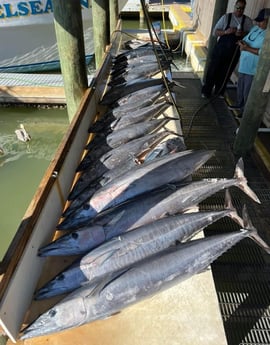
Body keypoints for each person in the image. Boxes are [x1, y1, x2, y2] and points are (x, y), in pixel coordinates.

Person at [201, 0, 253, 99]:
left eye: (242, 8)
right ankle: (206, 91)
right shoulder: (226, 18)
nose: (239, 10)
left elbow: (251, 34)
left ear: (244, 9)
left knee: (226, 72)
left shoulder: (247, 21)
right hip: (220, 50)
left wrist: (241, 34)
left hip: (234, 52)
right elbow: (215, 32)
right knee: (213, 70)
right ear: (234, 7)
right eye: (237, 7)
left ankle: (219, 92)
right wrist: (226, 32)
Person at [228, 8, 270, 116]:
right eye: (258, 20)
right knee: (241, 87)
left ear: (268, 20)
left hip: (253, 69)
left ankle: (245, 113)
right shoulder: (255, 28)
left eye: (261, 21)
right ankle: (239, 105)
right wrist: (242, 43)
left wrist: (247, 48)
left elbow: (263, 52)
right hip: (244, 65)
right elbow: (246, 39)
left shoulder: (268, 34)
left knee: (248, 91)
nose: (258, 23)